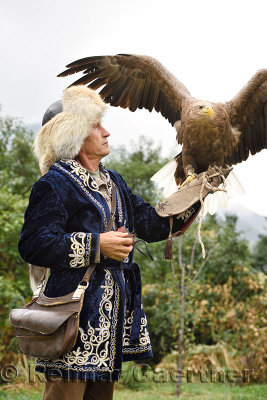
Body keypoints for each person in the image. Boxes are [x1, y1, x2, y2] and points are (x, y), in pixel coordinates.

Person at [18, 86, 200, 400]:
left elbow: (152, 224)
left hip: (109, 332)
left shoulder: (115, 181)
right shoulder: (54, 184)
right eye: (96, 126)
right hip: (70, 326)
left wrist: (197, 189)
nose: (107, 132)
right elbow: (33, 244)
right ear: (72, 134)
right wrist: (96, 245)